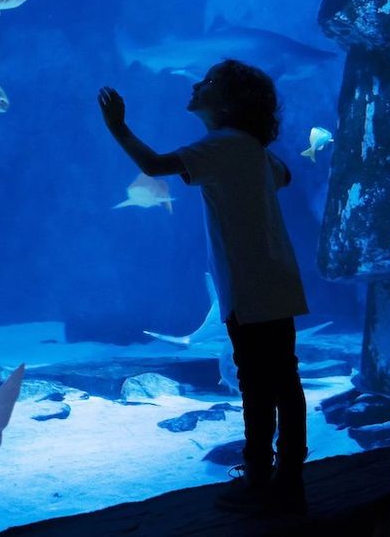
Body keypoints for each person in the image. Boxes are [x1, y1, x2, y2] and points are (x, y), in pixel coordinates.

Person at [98, 59, 310, 514]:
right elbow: (284, 175)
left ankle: (259, 479)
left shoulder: (220, 146)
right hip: (276, 279)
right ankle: (289, 476)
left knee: (256, 384)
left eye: (211, 82)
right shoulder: (250, 148)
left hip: (249, 286)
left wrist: (119, 127)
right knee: (284, 381)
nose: (198, 83)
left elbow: (155, 164)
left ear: (231, 104)